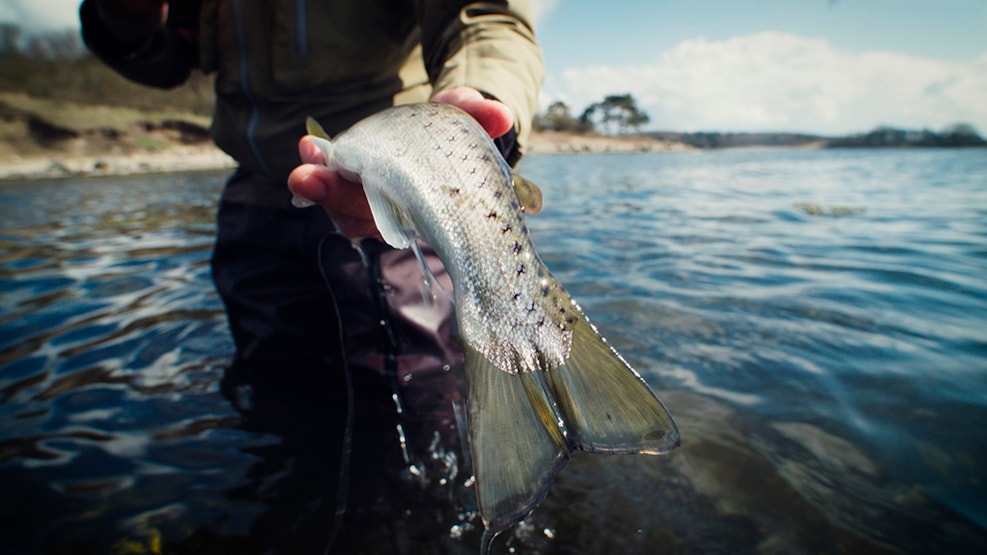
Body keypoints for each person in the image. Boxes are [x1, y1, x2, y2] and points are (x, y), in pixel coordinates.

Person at [79, 0, 543, 552]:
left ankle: (440, 529)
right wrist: (126, 20)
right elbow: (169, 59)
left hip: (394, 191)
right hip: (253, 190)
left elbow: (484, 16)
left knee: (414, 413)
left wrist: (485, 111)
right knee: (276, 400)